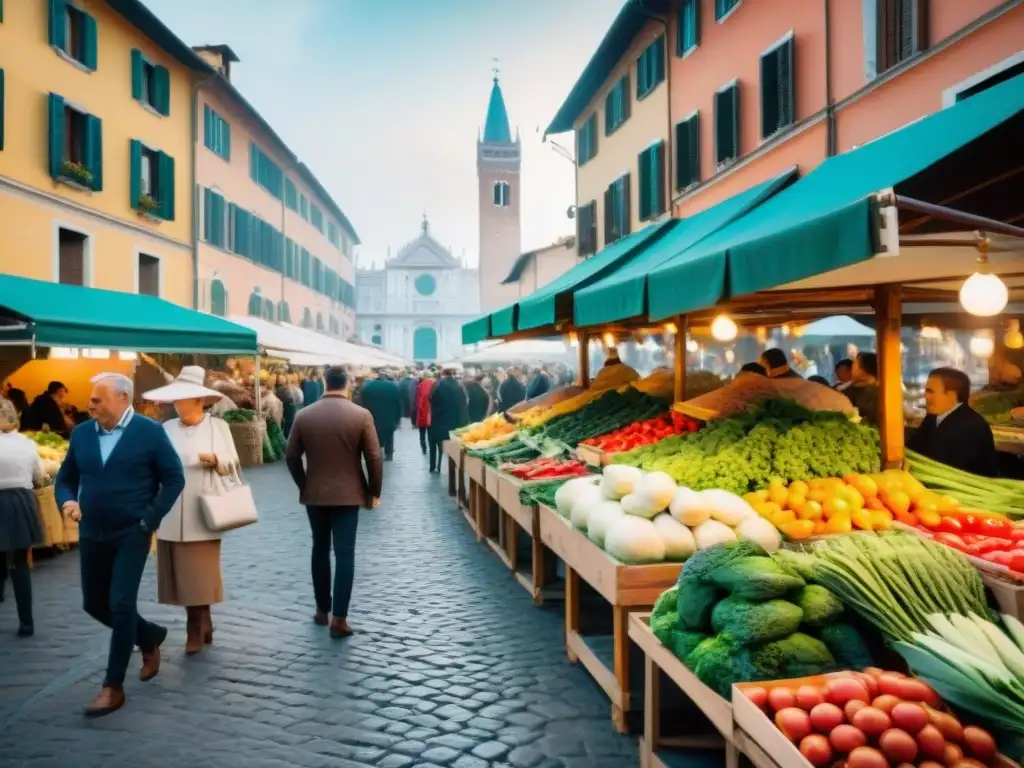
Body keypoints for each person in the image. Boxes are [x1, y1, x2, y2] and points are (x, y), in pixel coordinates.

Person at [55, 372, 185, 717]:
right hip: (92, 531)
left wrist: (149, 520)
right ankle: (150, 635)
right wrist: (67, 500)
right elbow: (65, 477)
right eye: (91, 399)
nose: (90, 405)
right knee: (95, 603)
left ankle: (112, 686)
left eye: (98, 400)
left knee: (120, 603)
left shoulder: (150, 432)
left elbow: (174, 478)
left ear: (123, 399)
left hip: (132, 532)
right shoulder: (82, 434)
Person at [142, 367, 240, 656]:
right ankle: (201, 620)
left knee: (199, 573)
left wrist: (215, 459)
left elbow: (233, 463)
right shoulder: (166, 429)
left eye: (184, 399)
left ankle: (194, 628)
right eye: (176, 400)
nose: (178, 405)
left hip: (204, 509)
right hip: (171, 511)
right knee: (182, 576)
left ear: (200, 400)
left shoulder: (217, 428)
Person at [285, 367, 383, 638]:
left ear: (324, 383)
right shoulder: (361, 415)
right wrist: (374, 491)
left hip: (315, 493)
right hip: (349, 494)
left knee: (319, 549)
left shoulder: (304, 415)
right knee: (345, 553)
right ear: (348, 384)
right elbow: (374, 457)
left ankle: (321, 610)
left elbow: (291, 456)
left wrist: (304, 485)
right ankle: (339, 618)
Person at [0, 397, 45, 637]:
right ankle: (26, 622)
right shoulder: (26, 443)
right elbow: (39, 475)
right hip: (20, 501)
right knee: (19, 564)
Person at [908, 367, 999, 478]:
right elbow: (912, 449)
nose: (926, 396)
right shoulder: (931, 419)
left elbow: (948, 470)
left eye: (930, 391)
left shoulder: (972, 427)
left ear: (952, 395)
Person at [429, 369, 469, 474]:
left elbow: (430, 398)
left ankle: (433, 466)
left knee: (434, 444)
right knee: (454, 447)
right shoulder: (459, 387)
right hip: (456, 422)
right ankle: (455, 467)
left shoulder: (437, 385)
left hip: (439, 421)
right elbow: (465, 402)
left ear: (443, 374)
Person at [360, 373, 401, 461]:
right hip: (390, 418)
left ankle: (376, 454)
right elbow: (398, 404)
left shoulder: (367, 387)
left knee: (375, 437)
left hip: (373, 418)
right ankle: (389, 453)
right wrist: (398, 419)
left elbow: (363, 404)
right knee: (389, 436)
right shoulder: (393, 387)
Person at [845, 352, 880, 426]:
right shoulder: (850, 388)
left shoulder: (874, 393)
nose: (852, 365)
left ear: (866, 368)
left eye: (856, 363)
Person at [414, 371, 434, 455]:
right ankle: (431, 447)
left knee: (422, 433)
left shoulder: (420, 385)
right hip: (432, 413)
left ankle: (424, 448)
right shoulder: (435, 385)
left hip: (422, 413)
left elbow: (417, 400)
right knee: (431, 433)